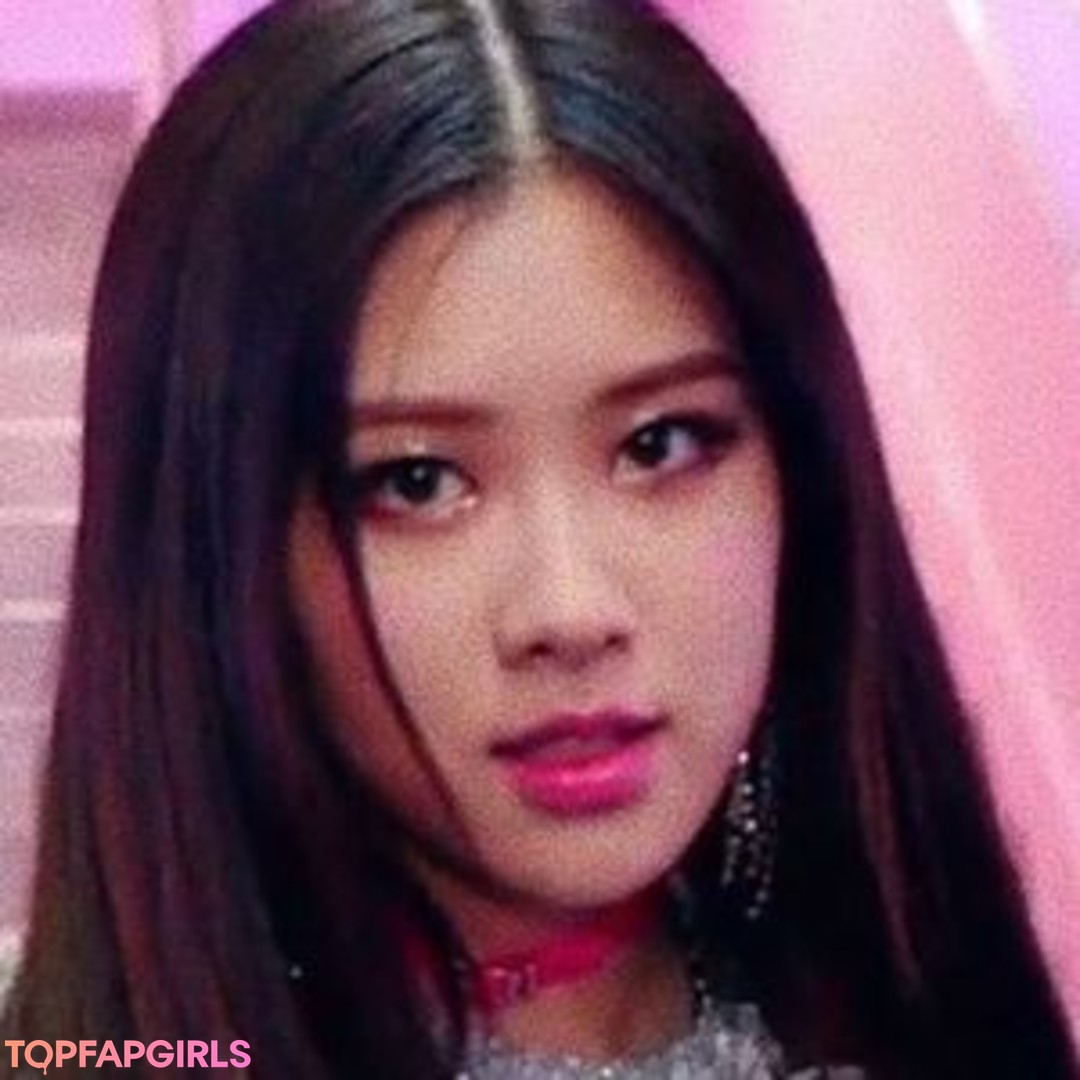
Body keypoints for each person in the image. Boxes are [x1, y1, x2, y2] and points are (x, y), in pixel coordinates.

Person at [1, 1, 1076, 1076]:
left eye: (660, 444)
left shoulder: (923, 1021)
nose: (571, 611)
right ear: (213, 549)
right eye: (418, 482)